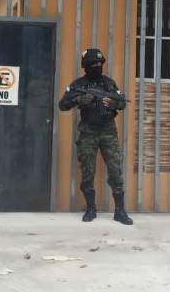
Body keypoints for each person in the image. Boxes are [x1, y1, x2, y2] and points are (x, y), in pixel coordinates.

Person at [59, 48, 133, 225]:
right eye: (94, 64)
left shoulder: (109, 83)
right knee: (87, 171)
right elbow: (63, 105)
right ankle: (90, 209)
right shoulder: (77, 85)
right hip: (88, 132)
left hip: (108, 131)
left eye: (100, 64)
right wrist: (79, 100)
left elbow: (122, 101)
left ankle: (120, 211)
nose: (97, 67)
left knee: (115, 170)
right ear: (86, 66)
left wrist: (114, 102)